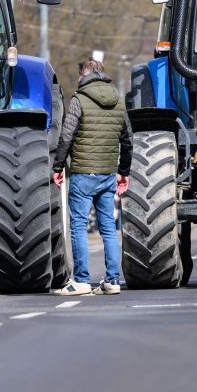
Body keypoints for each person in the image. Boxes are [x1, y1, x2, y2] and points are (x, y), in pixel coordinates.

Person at [50, 59, 132, 296]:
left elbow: (67, 135)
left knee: (78, 226)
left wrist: (58, 166)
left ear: (84, 75)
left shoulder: (79, 99)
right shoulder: (118, 101)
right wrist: (123, 172)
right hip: (107, 175)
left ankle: (82, 280)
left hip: (83, 174)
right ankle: (113, 280)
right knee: (108, 228)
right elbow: (127, 140)